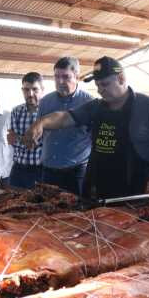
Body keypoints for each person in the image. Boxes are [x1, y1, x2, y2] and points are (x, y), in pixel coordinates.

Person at [25, 56, 149, 200]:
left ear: (121, 78)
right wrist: (41, 123)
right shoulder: (96, 107)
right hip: (98, 189)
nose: (100, 90)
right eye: (98, 85)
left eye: (105, 84)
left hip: (136, 192)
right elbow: (65, 117)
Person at [38, 57, 93, 195]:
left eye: (66, 77)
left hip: (76, 174)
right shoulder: (45, 102)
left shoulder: (89, 103)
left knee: (76, 214)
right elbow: (41, 133)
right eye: (56, 76)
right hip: (48, 172)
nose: (60, 81)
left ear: (77, 77)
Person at [7, 72, 45, 189]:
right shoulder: (16, 111)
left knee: (37, 205)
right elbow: (11, 140)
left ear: (42, 89)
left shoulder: (48, 112)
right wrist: (30, 140)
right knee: (12, 203)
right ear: (22, 90)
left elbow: (46, 142)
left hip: (40, 171)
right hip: (18, 169)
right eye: (26, 90)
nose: (30, 94)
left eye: (35, 89)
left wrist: (19, 138)